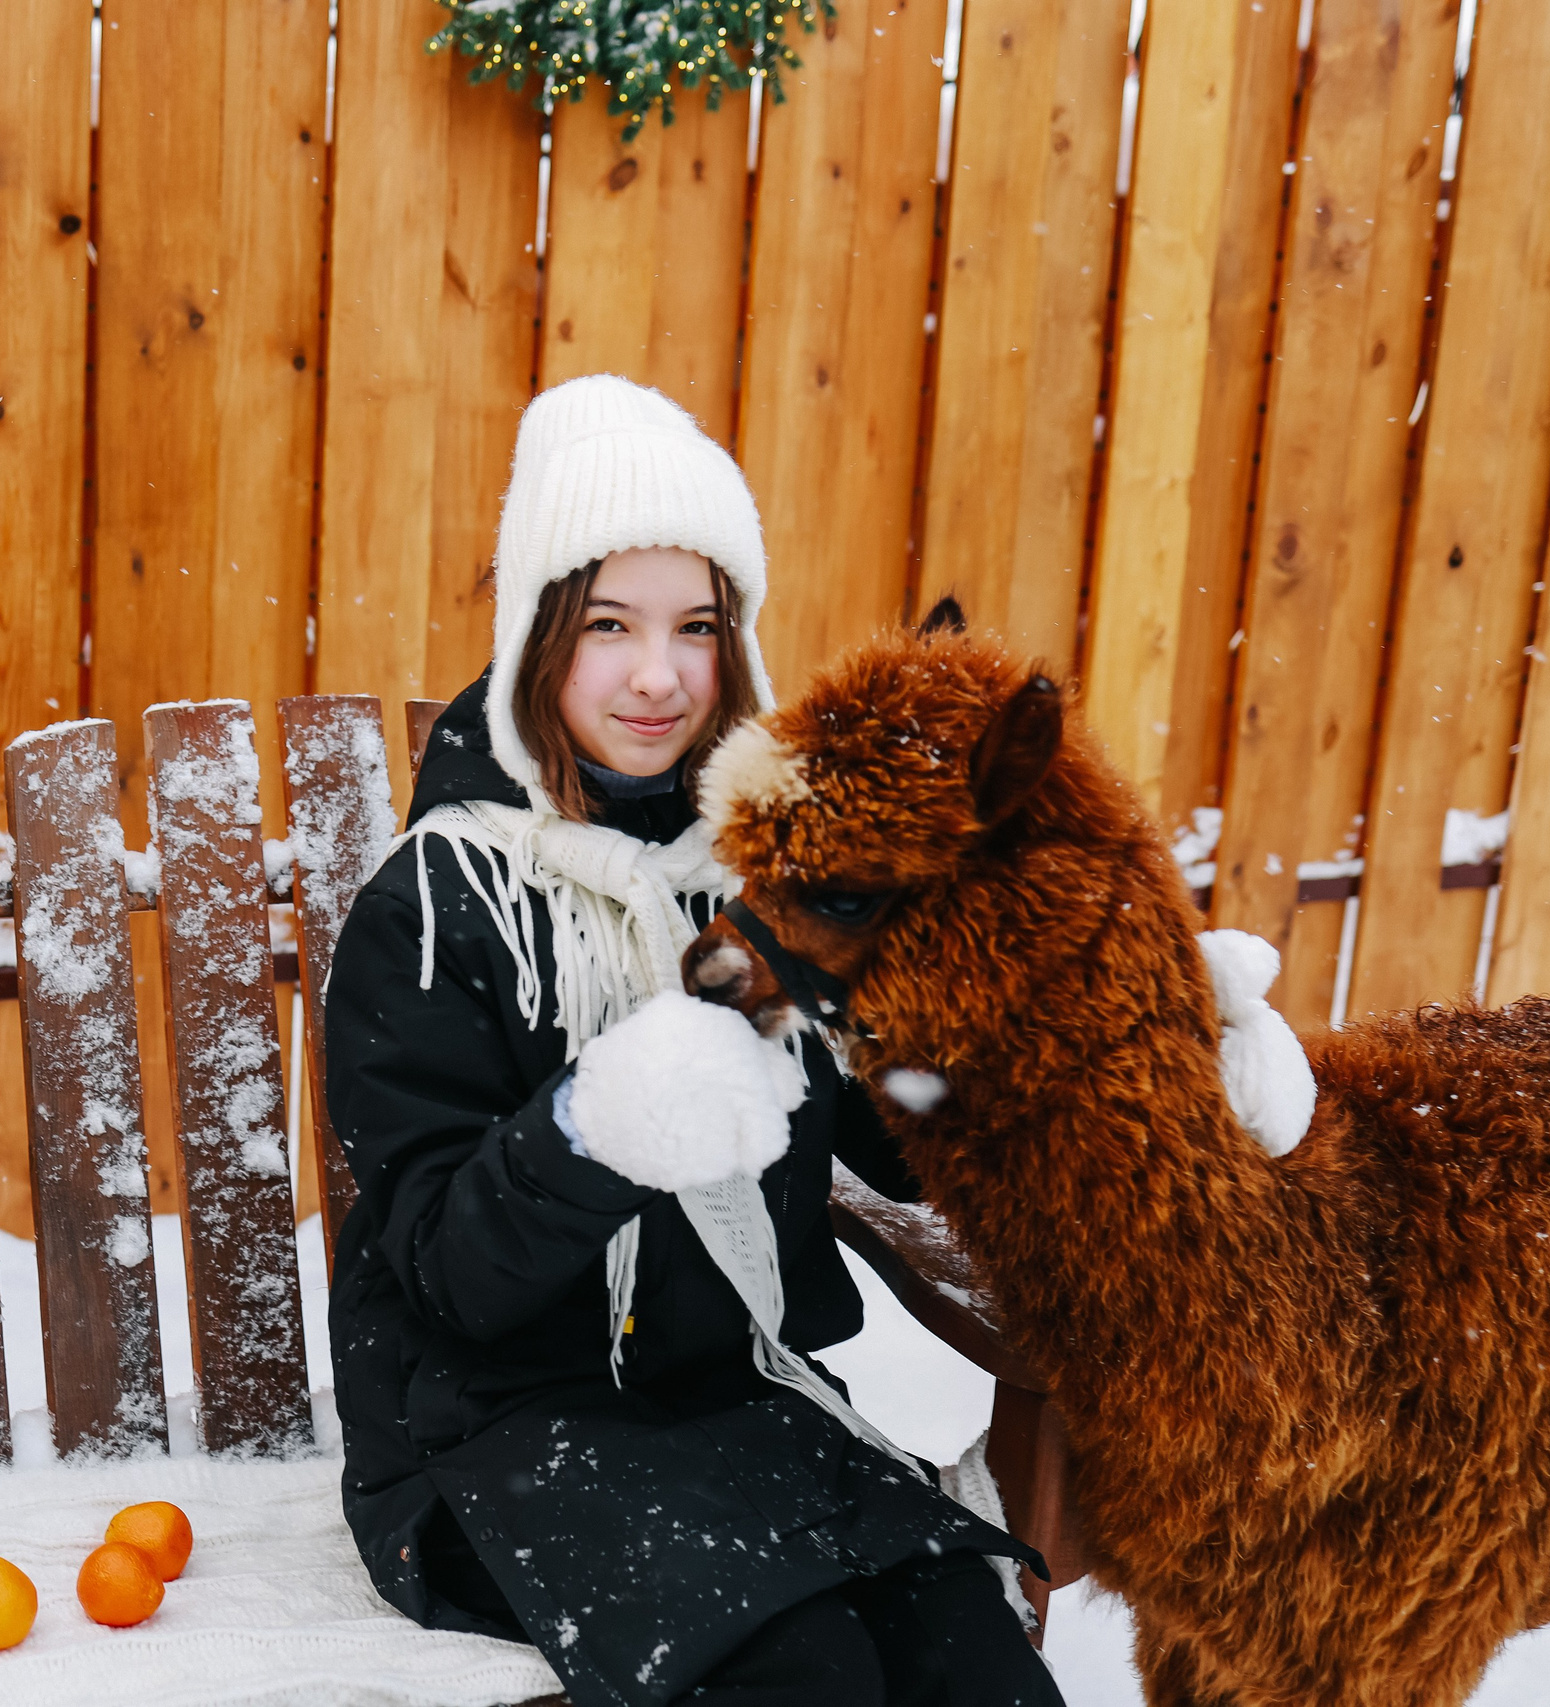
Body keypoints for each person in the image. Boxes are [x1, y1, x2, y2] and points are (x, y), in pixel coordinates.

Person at [325, 375, 1067, 1707]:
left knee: (980, 1668)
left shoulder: (750, 880)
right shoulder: (437, 909)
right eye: (609, 624)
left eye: (697, 627)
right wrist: (601, 1125)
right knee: (808, 1681)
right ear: (537, 636)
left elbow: (898, 1138)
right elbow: (447, 1279)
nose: (659, 675)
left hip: (734, 1402)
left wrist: (1052, 1029)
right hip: (497, 1443)